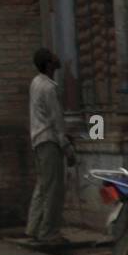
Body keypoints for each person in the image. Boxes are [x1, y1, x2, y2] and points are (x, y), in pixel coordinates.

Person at [26, 48, 75, 243]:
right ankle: (49, 232)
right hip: (49, 140)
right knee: (53, 189)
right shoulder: (49, 87)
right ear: (48, 64)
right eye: (53, 58)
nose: (57, 58)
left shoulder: (35, 83)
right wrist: (67, 147)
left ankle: (34, 227)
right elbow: (56, 120)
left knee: (43, 186)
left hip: (38, 140)